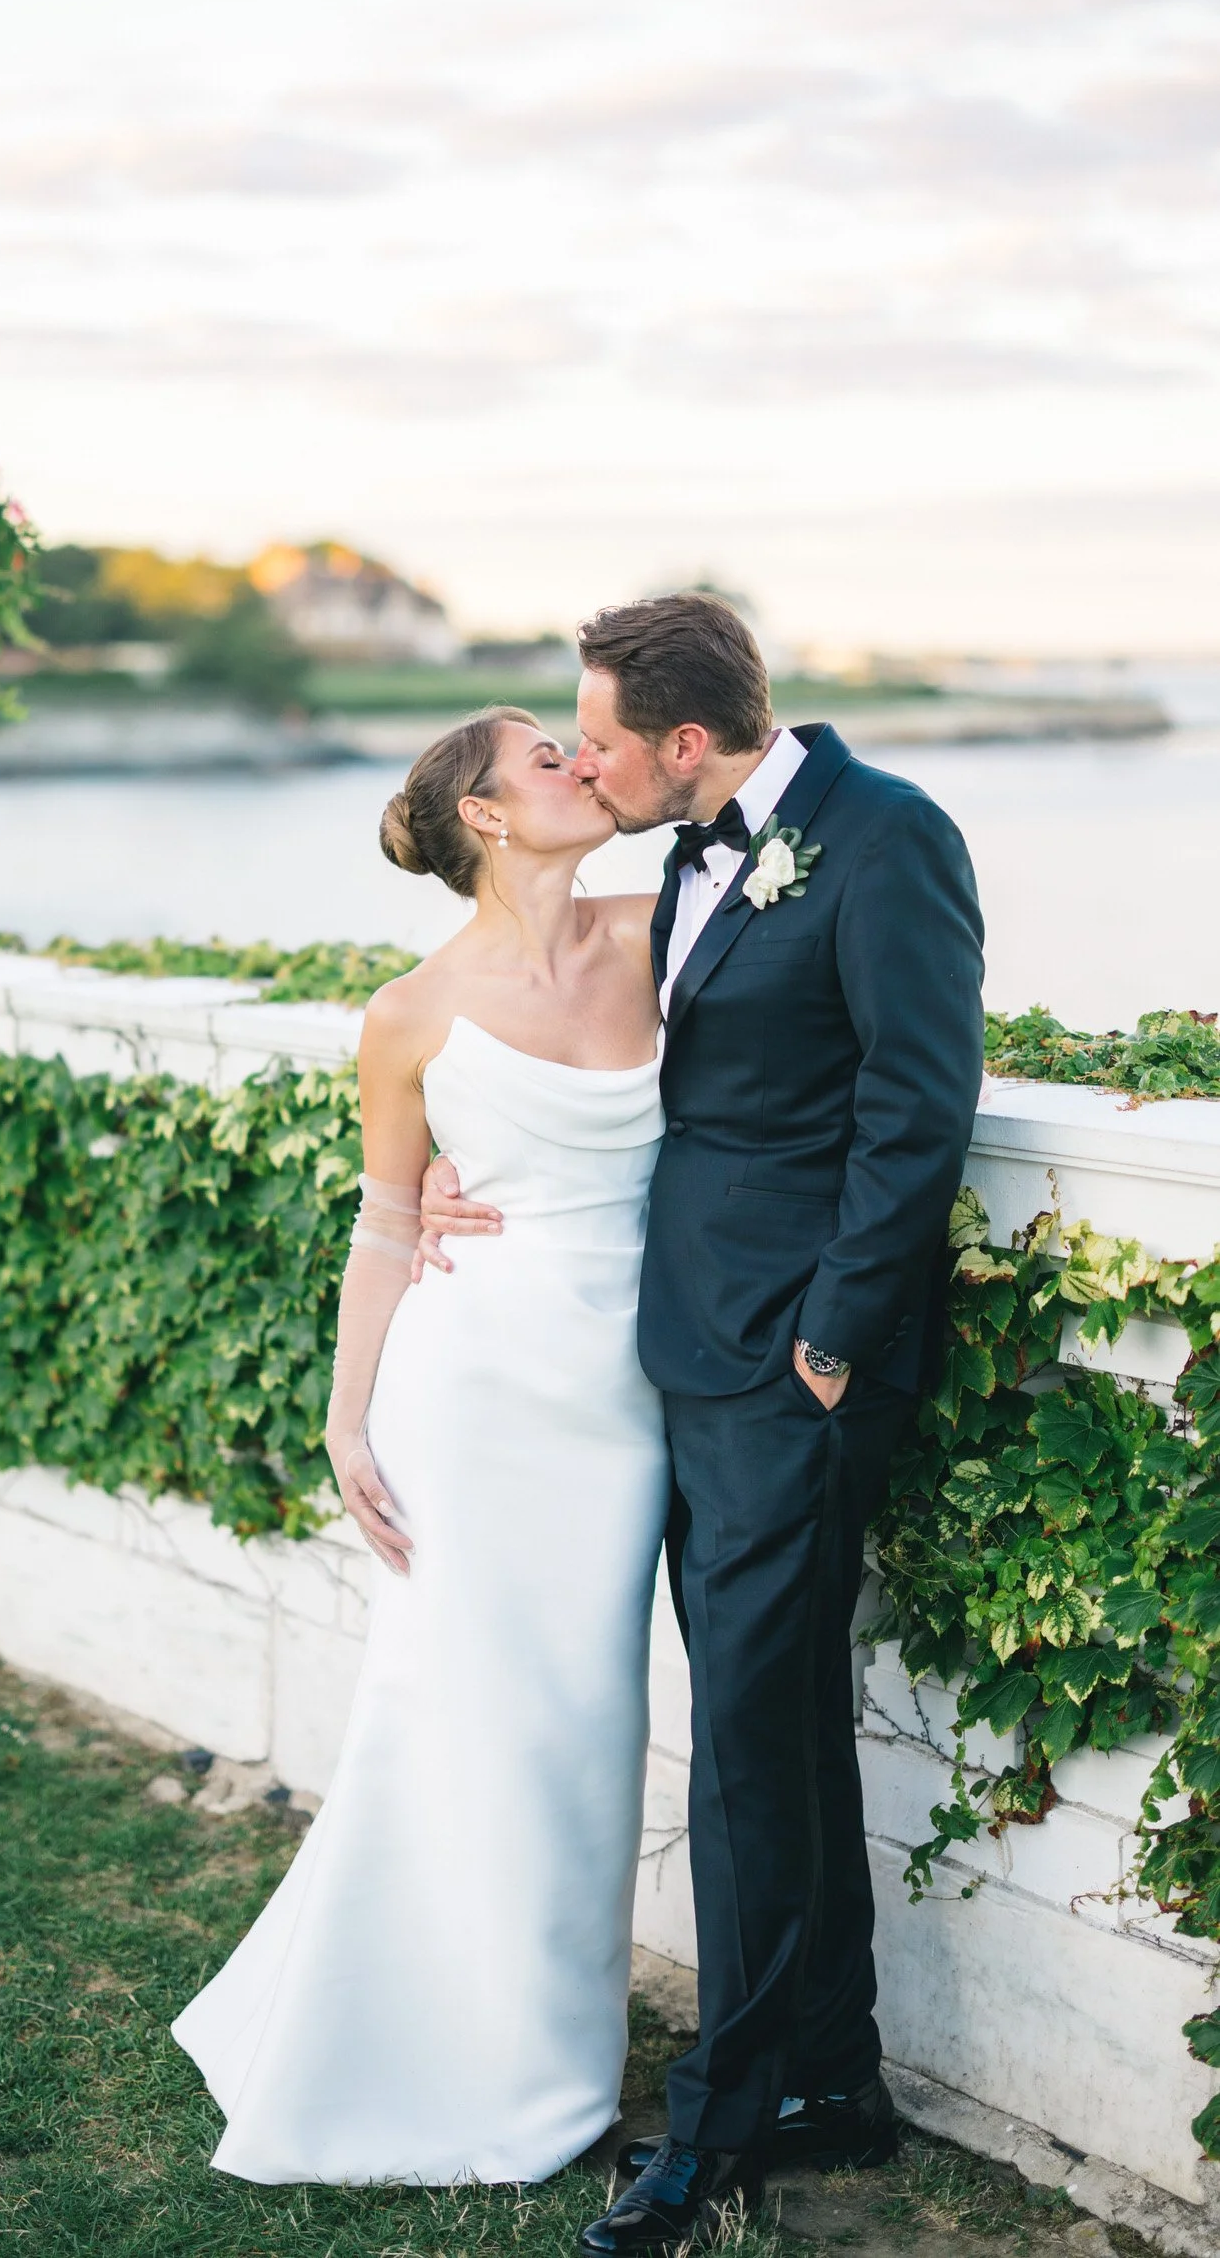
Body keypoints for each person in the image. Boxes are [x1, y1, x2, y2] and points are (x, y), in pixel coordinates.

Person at [420, 593, 985, 2254]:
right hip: (682, 1351)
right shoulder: (680, 850)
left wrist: (829, 1340)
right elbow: (583, 1035)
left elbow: (916, 1104)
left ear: (683, 740)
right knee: (781, 1727)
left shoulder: (885, 839)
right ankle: (831, 2078)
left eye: (594, 736)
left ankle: (716, 2131)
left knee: (742, 1748)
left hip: (789, 1373)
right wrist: (459, 1168)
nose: (579, 762)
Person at [171, 704, 673, 2185]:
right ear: (487, 817)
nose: (579, 764)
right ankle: (479, 2072)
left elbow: (777, 839)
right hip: (472, 1395)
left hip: (629, 1397)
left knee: (584, 1733)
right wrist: (345, 1419)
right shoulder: (411, 1012)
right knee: (459, 1717)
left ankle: (535, 2045)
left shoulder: (666, 932)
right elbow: (389, 1221)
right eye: (543, 758)